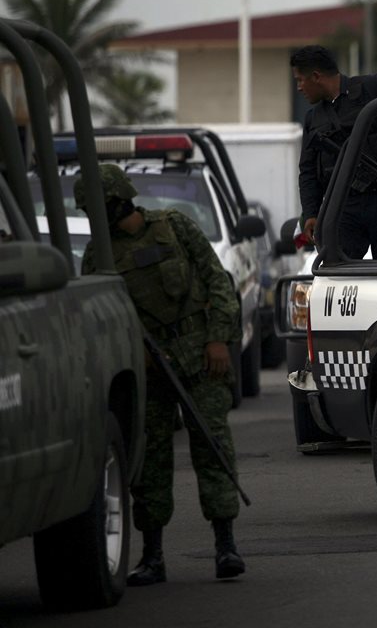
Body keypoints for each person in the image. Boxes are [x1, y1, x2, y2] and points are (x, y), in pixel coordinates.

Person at [76, 164, 245, 585]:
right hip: (147, 370)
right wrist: (132, 354)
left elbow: (218, 283)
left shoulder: (173, 226)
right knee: (150, 463)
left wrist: (218, 340)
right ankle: (153, 557)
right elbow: (97, 317)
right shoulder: (99, 255)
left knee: (213, 447)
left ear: (115, 201)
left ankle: (226, 547)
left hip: (201, 358)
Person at [292, 45, 377, 260]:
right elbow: (308, 171)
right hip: (343, 205)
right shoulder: (314, 119)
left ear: (316, 76)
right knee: (337, 272)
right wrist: (311, 213)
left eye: (301, 80)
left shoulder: (372, 88)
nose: (299, 87)